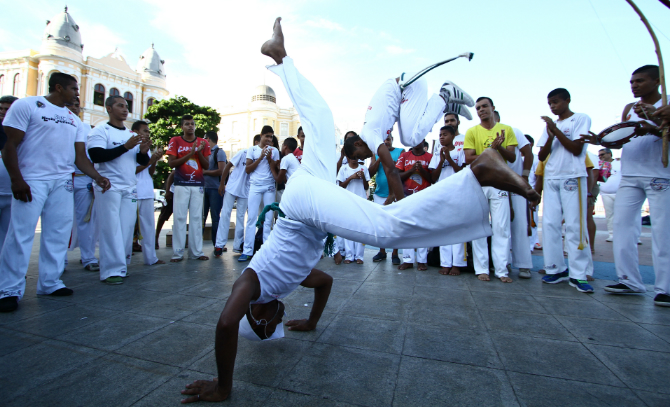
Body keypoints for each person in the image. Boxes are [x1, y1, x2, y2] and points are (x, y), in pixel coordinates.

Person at [180, 18, 539, 402]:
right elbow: (326, 283)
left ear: (261, 317)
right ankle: (281, 57)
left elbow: (224, 323)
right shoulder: (290, 280)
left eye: (275, 325)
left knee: (386, 230)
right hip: (306, 194)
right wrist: (312, 321)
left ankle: (480, 170)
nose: (282, 322)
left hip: (301, 207)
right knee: (321, 121)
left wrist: (223, 385)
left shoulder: (251, 286)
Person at [0, 73, 111, 312]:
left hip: (62, 182)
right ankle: (9, 289)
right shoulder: (28, 105)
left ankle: (50, 282)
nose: (77, 94)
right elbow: (9, 145)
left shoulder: (74, 120)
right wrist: (17, 179)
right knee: (21, 233)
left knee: (58, 232)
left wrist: (97, 177)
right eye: (73, 89)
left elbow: (80, 157)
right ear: (58, 88)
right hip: (31, 180)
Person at [346, 58, 473, 206]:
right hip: (406, 90)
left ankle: (446, 94)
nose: (362, 158)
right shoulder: (370, 132)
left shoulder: (369, 135)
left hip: (409, 85)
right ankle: (444, 105)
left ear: (357, 143)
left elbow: (391, 170)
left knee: (410, 139)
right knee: (413, 133)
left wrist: (402, 206)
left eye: (357, 156)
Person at [598, 65, 669, 306]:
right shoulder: (629, 108)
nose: (634, 85)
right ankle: (629, 280)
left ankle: (665, 288)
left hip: (659, 175)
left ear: (658, 81)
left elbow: (664, 134)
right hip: (629, 175)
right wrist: (606, 141)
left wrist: (655, 123)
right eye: (632, 81)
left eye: (640, 81)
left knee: (662, 231)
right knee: (622, 227)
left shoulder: (666, 104)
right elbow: (623, 136)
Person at [88, 96, 151, 284]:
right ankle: (110, 271)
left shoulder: (130, 134)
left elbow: (141, 162)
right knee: (110, 228)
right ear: (109, 108)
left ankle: (121, 266)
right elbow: (97, 155)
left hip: (129, 187)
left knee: (125, 229)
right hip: (109, 187)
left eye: (126, 106)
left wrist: (142, 152)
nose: (125, 109)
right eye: (120, 106)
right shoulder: (101, 130)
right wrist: (126, 147)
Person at [536, 88, 594, 293]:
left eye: (556, 102)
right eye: (549, 103)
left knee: (574, 225)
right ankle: (555, 268)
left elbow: (577, 149)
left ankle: (578, 274)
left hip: (572, 176)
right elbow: (542, 156)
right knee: (550, 224)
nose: (552, 106)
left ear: (567, 100)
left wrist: (555, 130)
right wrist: (550, 135)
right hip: (552, 177)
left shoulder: (580, 119)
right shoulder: (550, 127)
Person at [463, 97, 518, 283]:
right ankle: (481, 269)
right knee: (479, 227)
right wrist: (490, 152)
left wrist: (499, 147)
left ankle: (501, 270)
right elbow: (469, 158)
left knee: (501, 228)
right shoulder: (472, 131)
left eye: (484, 106)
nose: (481, 110)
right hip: (478, 183)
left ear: (493, 108)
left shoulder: (506, 130)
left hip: (499, 183)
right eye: (478, 108)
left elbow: (512, 157)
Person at [166, 115, 211, 262]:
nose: (190, 126)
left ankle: (196, 252)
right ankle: (178, 253)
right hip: (181, 184)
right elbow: (171, 164)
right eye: (187, 124)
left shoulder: (203, 142)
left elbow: (206, 166)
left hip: (197, 184)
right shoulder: (175, 141)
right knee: (179, 217)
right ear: (182, 127)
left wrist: (198, 152)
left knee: (197, 218)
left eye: (192, 124)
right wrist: (190, 154)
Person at [495, 110, 534, 279]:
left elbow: (528, 153)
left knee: (519, 224)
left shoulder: (513, 131)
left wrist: (524, 176)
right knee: (500, 226)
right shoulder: (482, 135)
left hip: (515, 183)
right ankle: (504, 263)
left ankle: (524, 265)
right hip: (497, 184)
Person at [65, 98, 99, 272]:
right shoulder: (58, 125)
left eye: (76, 105)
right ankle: (59, 259)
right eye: (69, 105)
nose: (72, 108)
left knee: (85, 220)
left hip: (83, 178)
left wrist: (94, 178)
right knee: (61, 220)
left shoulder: (87, 129)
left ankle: (88, 257)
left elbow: (91, 156)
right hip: (62, 178)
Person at [429, 125, 466, 275]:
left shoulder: (460, 151)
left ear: (453, 137)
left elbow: (462, 172)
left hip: (457, 193)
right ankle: (445, 263)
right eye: (440, 135)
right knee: (444, 229)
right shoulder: (437, 154)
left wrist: (449, 159)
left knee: (457, 229)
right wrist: (441, 160)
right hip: (442, 193)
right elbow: (433, 178)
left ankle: (457, 264)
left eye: (445, 134)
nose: (441, 137)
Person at [239, 127, 280, 262]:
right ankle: (247, 251)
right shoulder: (252, 150)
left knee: (268, 219)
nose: (269, 139)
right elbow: (248, 169)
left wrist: (269, 159)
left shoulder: (275, 151)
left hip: (269, 187)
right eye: (267, 136)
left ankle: (266, 252)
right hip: (255, 187)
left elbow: (277, 170)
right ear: (261, 136)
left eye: (271, 137)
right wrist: (261, 157)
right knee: (251, 219)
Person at [214, 141, 256, 257]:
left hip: (245, 190)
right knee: (225, 214)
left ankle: (238, 245)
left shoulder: (259, 157)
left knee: (241, 217)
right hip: (232, 187)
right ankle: (219, 244)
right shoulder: (243, 152)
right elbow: (228, 165)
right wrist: (222, 183)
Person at [133, 120, 166, 266]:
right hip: (132, 191)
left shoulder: (146, 150)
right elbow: (131, 170)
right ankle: (124, 258)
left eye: (148, 131)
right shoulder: (130, 148)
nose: (148, 133)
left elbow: (149, 172)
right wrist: (150, 160)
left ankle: (151, 257)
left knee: (148, 226)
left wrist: (154, 161)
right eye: (145, 131)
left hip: (146, 191)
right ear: (136, 132)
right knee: (128, 227)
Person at [396, 140, 433, 270]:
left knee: (422, 228)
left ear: (423, 141)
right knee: (407, 228)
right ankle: (408, 259)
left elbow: (433, 178)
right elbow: (397, 176)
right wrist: (412, 170)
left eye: (420, 139)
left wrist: (421, 170)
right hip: (407, 196)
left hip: (424, 197)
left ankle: (422, 260)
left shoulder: (430, 157)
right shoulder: (404, 156)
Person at [368, 133, 404, 264]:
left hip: (395, 194)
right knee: (381, 225)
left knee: (395, 225)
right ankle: (382, 251)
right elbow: (370, 173)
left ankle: (395, 253)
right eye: (383, 140)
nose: (386, 142)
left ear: (392, 140)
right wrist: (379, 159)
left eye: (388, 139)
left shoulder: (400, 152)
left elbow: (400, 172)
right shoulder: (375, 154)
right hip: (379, 194)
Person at [337, 150, 370, 264]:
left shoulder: (363, 168)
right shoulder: (344, 169)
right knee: (348, 229)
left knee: (361, 229)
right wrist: (351, 177)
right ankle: (349, 255)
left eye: (356, 156)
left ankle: (359, 256)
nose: (354, 158)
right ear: (347, 156)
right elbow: (340, 186)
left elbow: (366, 187)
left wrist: (363, 178)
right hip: (348, 202)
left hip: (361, 202)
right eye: (351, 156)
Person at [202, 132, 227, 248]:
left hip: (215, 189)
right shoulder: (204, 153)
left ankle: (217, 245)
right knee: (201, 217)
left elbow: (222, 170)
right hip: (203, 188)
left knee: (215, 217)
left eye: (204, 138)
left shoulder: (219, 152)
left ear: (208, 139)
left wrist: (205, 172)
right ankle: (197, 245)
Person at [0, 95, 18, 250]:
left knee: (8, 233)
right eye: (1, 108)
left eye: (7, 109)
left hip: (12, 192)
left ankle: (7, 267)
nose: (3, 112)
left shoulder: (22, 133)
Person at [598, 148, 618, 242]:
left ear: (609, 154)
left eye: (602, 154)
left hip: (619, 193)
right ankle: (612, 234)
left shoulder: (619, 163)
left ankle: (635, 237)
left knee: (624, 215)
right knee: (610, 215)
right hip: (605, 193)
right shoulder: (599, 164)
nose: (601, 156)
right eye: (599, 155)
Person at [526, 135, 542, 251]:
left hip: (530, 192)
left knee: (532, 220)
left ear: (530, 144)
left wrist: (536, 194)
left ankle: (532, 243)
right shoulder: (516, 158)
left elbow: (538, 178)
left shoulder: (536, 159)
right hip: (517, 192)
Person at [155, 171, 174, 249]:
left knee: (179, 217)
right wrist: (167, 191)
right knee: (163, 216)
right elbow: (172, 174)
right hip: (172, 192)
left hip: (183, 193)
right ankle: (156, 238)